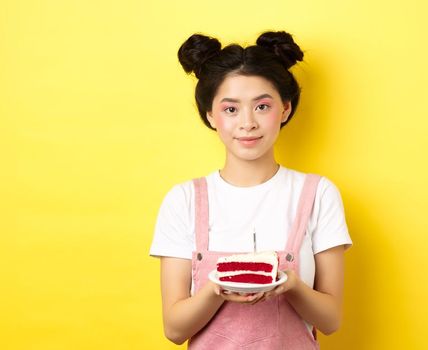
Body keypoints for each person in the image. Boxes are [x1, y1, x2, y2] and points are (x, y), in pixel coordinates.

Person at [148, 30, 353, 349]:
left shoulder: (317, 194)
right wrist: (216, 288)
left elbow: (331, 321)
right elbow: (174, 330)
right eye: (231, 109)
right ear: (210, 116)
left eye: (262, 107)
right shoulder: (184, 200)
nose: (247, 123)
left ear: (285, 109)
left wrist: (291, 285)